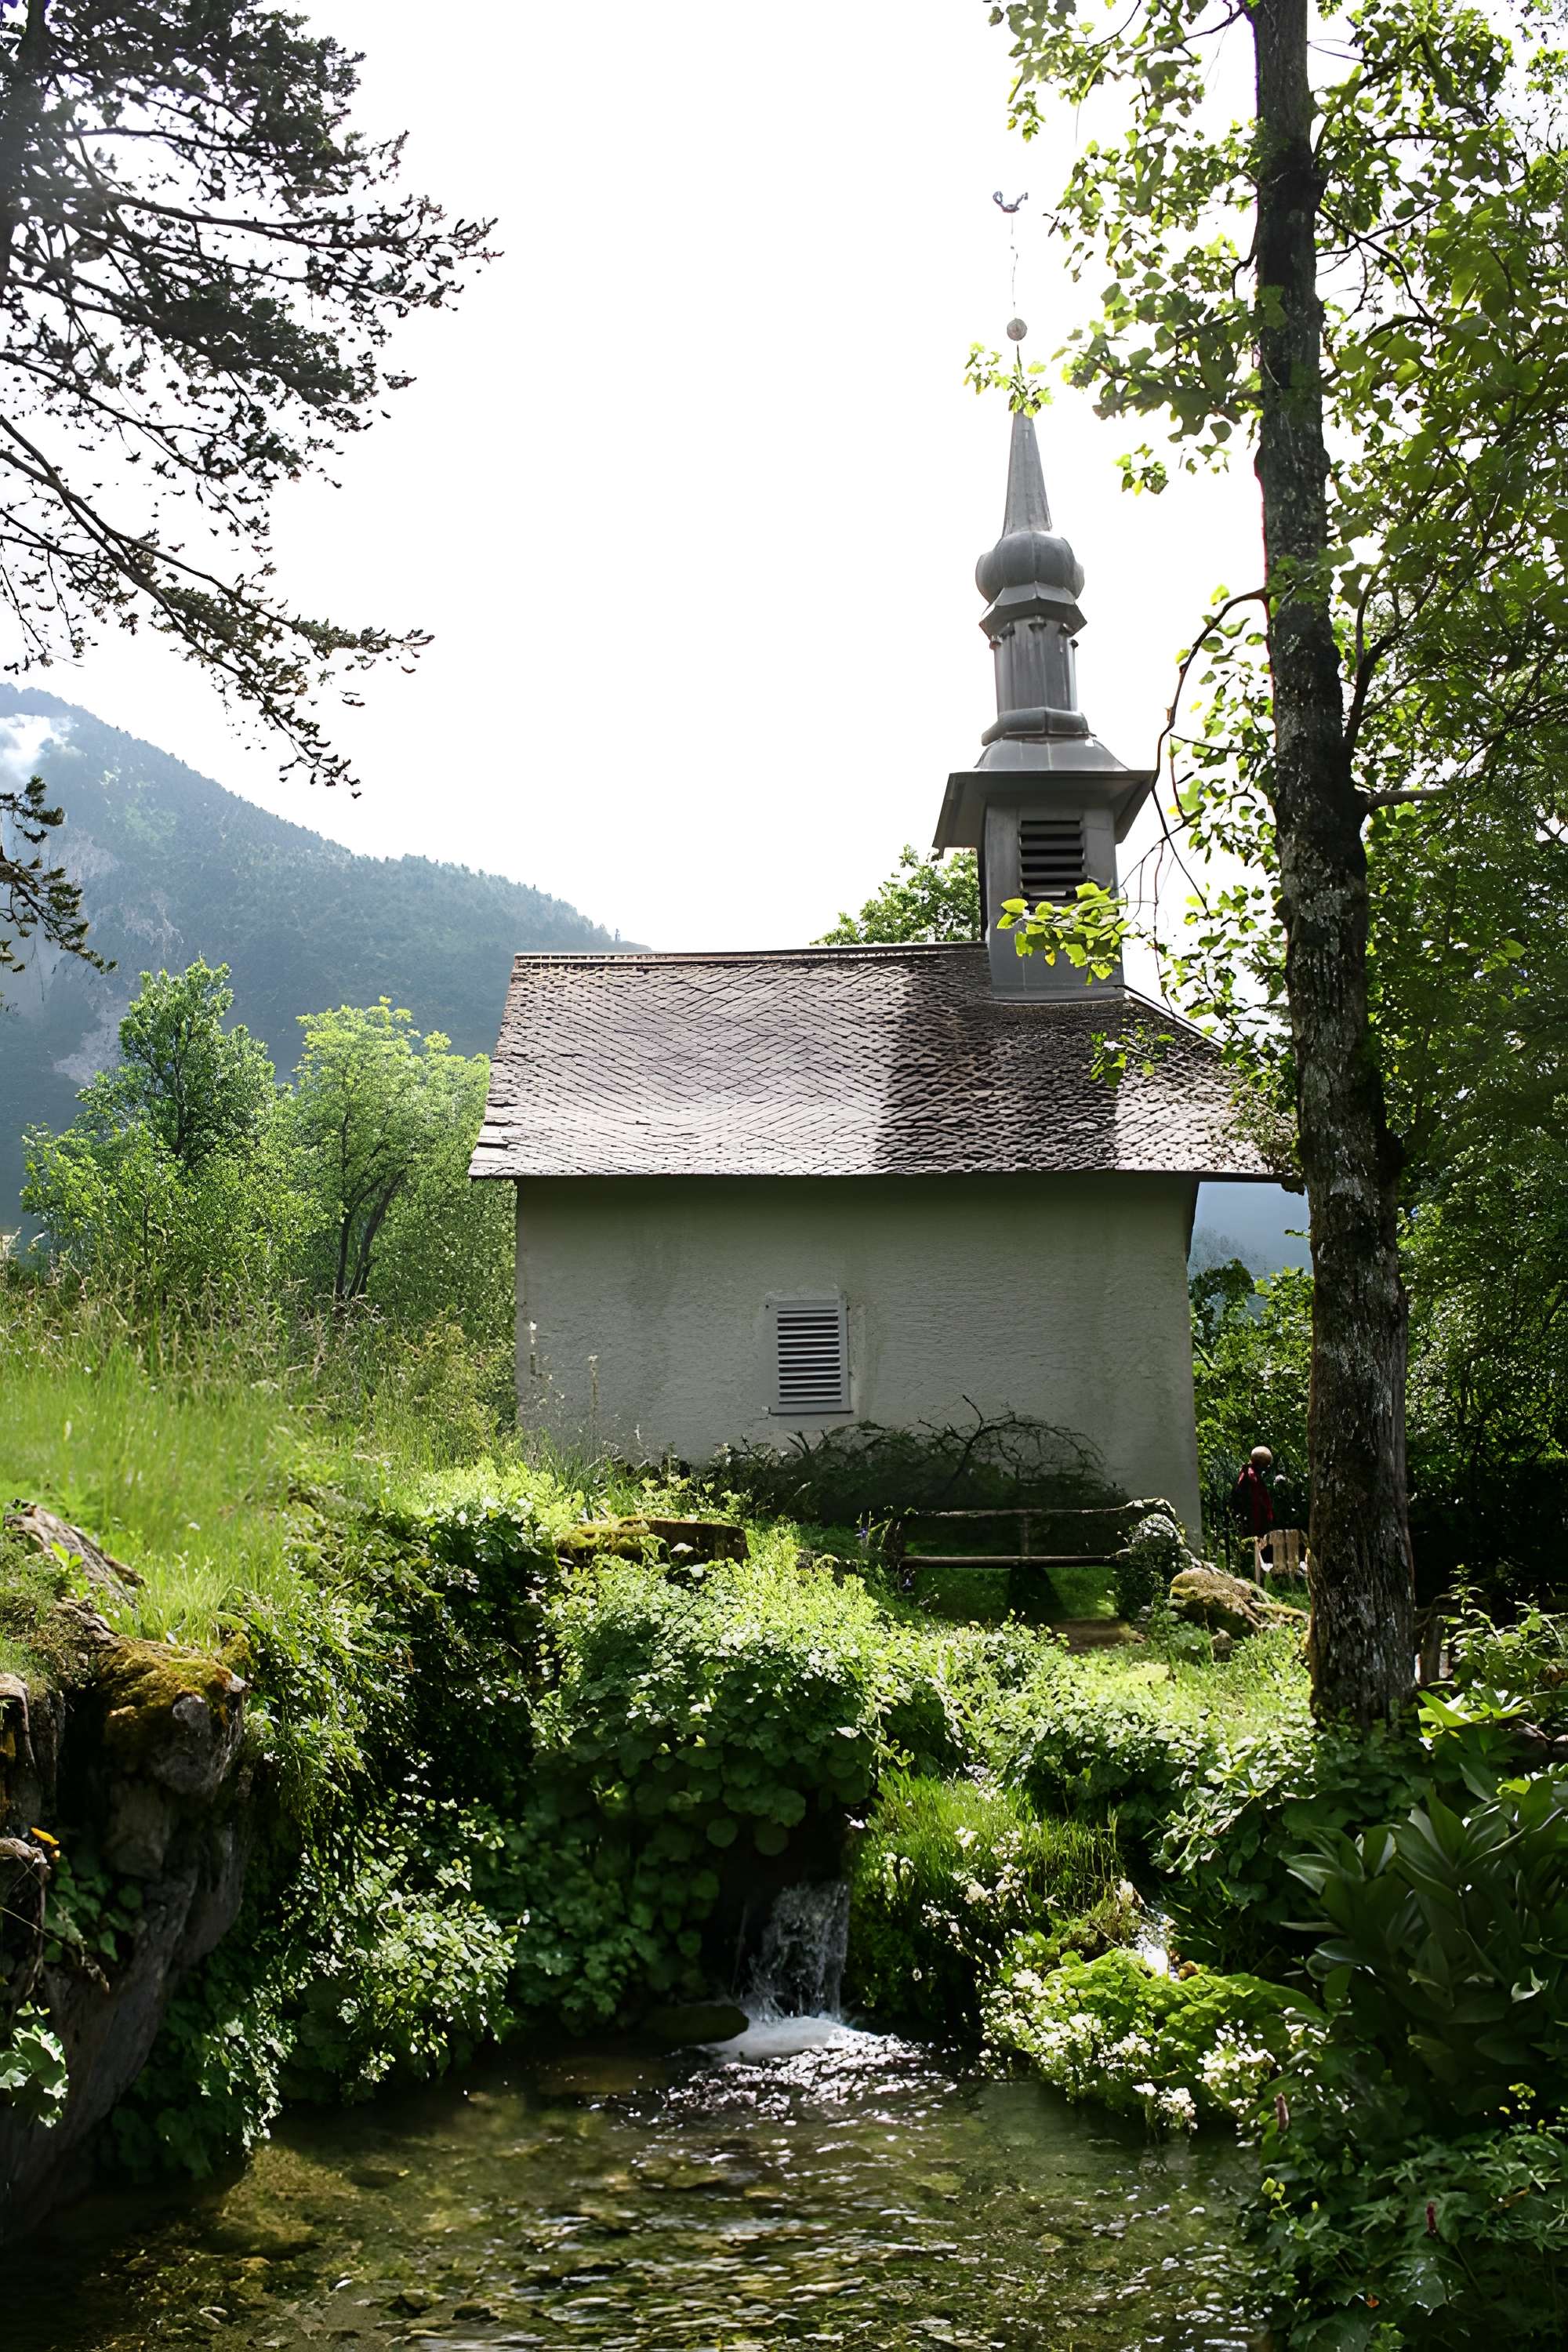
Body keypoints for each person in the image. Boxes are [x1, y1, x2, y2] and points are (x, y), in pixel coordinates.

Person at [1232, 1446, 1276, 1541]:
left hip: (1256, 1519)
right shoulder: (1250, 1475)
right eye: (1265, 1464)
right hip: (1254, 1521)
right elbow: (1256, 1500)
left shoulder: (1251, 1474)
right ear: (1260, 1463)